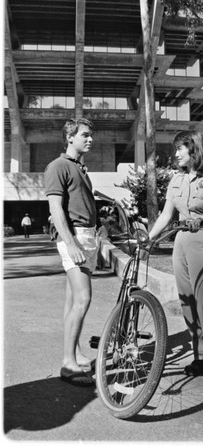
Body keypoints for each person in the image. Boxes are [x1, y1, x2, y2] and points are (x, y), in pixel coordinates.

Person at [149, 130, 203, 388]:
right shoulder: (176, 181)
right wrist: (148, 238)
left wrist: (200, 220)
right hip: (181, 241)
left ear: (193, 149)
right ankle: (201, 358)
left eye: (179, 149)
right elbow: (166, 215)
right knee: (187, 302)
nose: (175, 154)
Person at [44, 118, 98, 387]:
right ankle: (68, 364)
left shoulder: (80, 168)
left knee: (71, 300)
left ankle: (75, 353)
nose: (90, 139)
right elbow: (56, 210)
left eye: (91, 135)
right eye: (85, 135)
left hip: (86, 235)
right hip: (74, 237)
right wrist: (72, 244)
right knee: (83, 298)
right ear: (70, 137)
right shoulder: (58, 166)